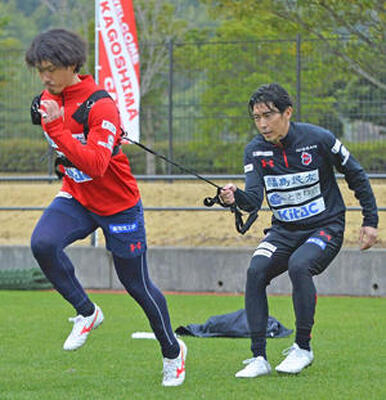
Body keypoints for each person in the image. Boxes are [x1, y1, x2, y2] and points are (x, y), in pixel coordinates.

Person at [25, 29, 186, 387]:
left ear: (72, 65)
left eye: (51, 69)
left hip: (118, 205)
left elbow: (97, 164)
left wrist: (56, 127)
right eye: (40, 70)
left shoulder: (101, 105)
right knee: (42, 244)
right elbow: (55, 136)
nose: (45, 77)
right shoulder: (47, 98)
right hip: (78, 198)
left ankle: (173, 353)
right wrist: (49, 126)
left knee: (137, 285)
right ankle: (87, 311)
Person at [219, 83, 378, 378]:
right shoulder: (254, 151)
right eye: (256, 118)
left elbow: (356, 173)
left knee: (299, 265)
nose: (263, 124)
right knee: (255, 272)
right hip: (283, 231)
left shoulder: (319, 139)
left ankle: (302, 348)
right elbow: (253, 200)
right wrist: (233, 196)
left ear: (287, 112)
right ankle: (258, 357)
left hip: (326, 226)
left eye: (268, 115)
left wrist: (370, 221)